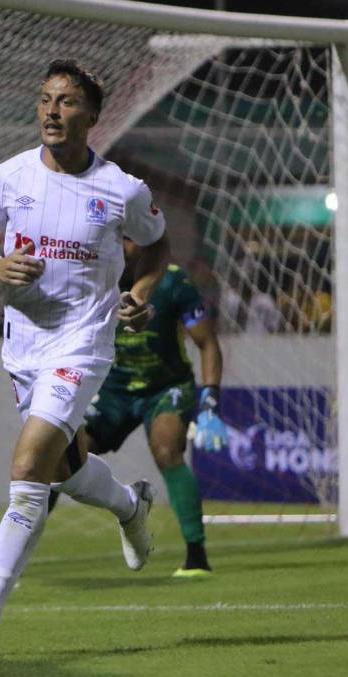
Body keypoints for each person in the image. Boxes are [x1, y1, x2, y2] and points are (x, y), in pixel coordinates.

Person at [0, 59, 170, 650]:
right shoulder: (9, 176)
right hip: (24, 346)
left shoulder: (122, 190)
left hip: (83, 344)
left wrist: (140, 293)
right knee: (64, 470)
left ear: (92, 117)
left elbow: (156, 245)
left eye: (66, 102)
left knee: (28, 470)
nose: (51, 111)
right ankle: (129, 504)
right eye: (46, 99)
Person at [59, 241, 227, 577]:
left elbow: (207, 343)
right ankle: (21, 555)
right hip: (113, 391)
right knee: (58, 454)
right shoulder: (92, 280)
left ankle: (197, 556)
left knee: (167, 450)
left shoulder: (173, 281)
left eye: (129, 238)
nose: (121, 246)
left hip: (166, 387)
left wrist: (209, 402)